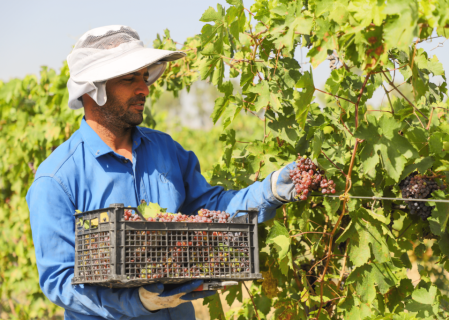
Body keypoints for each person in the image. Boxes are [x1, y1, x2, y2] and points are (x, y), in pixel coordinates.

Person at [26, 25, 299, 320]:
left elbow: (212, 212)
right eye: (130, 79)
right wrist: (137, 302)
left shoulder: (166, 150)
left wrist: (269, 190)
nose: (144, 88)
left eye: (144, 78)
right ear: (94, 89)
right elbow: (58, 280)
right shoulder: (57, 179)